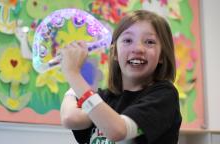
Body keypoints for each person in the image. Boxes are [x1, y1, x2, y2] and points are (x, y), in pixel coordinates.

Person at [60, 10, 182, 144]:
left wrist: (73, 73)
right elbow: (70, 118)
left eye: (149, 42)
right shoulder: (104, 98)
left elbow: (118, 131)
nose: (138, 48)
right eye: (128, 40)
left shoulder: (164, 95)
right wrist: (73, 82)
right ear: (115, 53)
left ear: (162, 56)